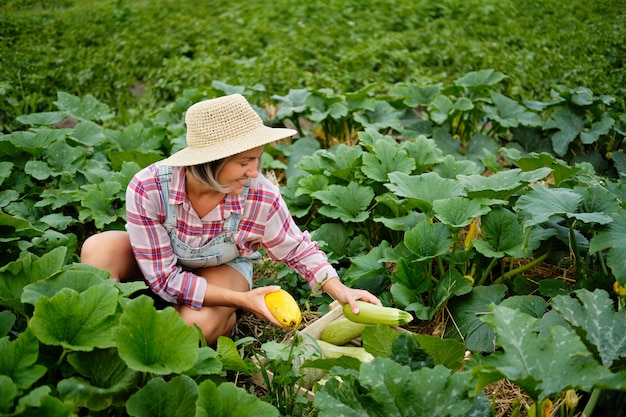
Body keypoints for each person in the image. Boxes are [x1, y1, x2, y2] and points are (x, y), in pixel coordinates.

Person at [81, 93, 381, 344]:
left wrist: (341, 290)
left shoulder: (260, 195)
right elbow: (163, 279)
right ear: (209, 162)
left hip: (220, 268)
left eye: (257, 159)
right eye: (244, 162)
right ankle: (104, 335)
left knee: (191, 330)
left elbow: (297, 248)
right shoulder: (149, 187)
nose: (254, 171)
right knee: (98, 251)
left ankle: (218, 319)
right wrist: (244, 300)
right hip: (159, 266)